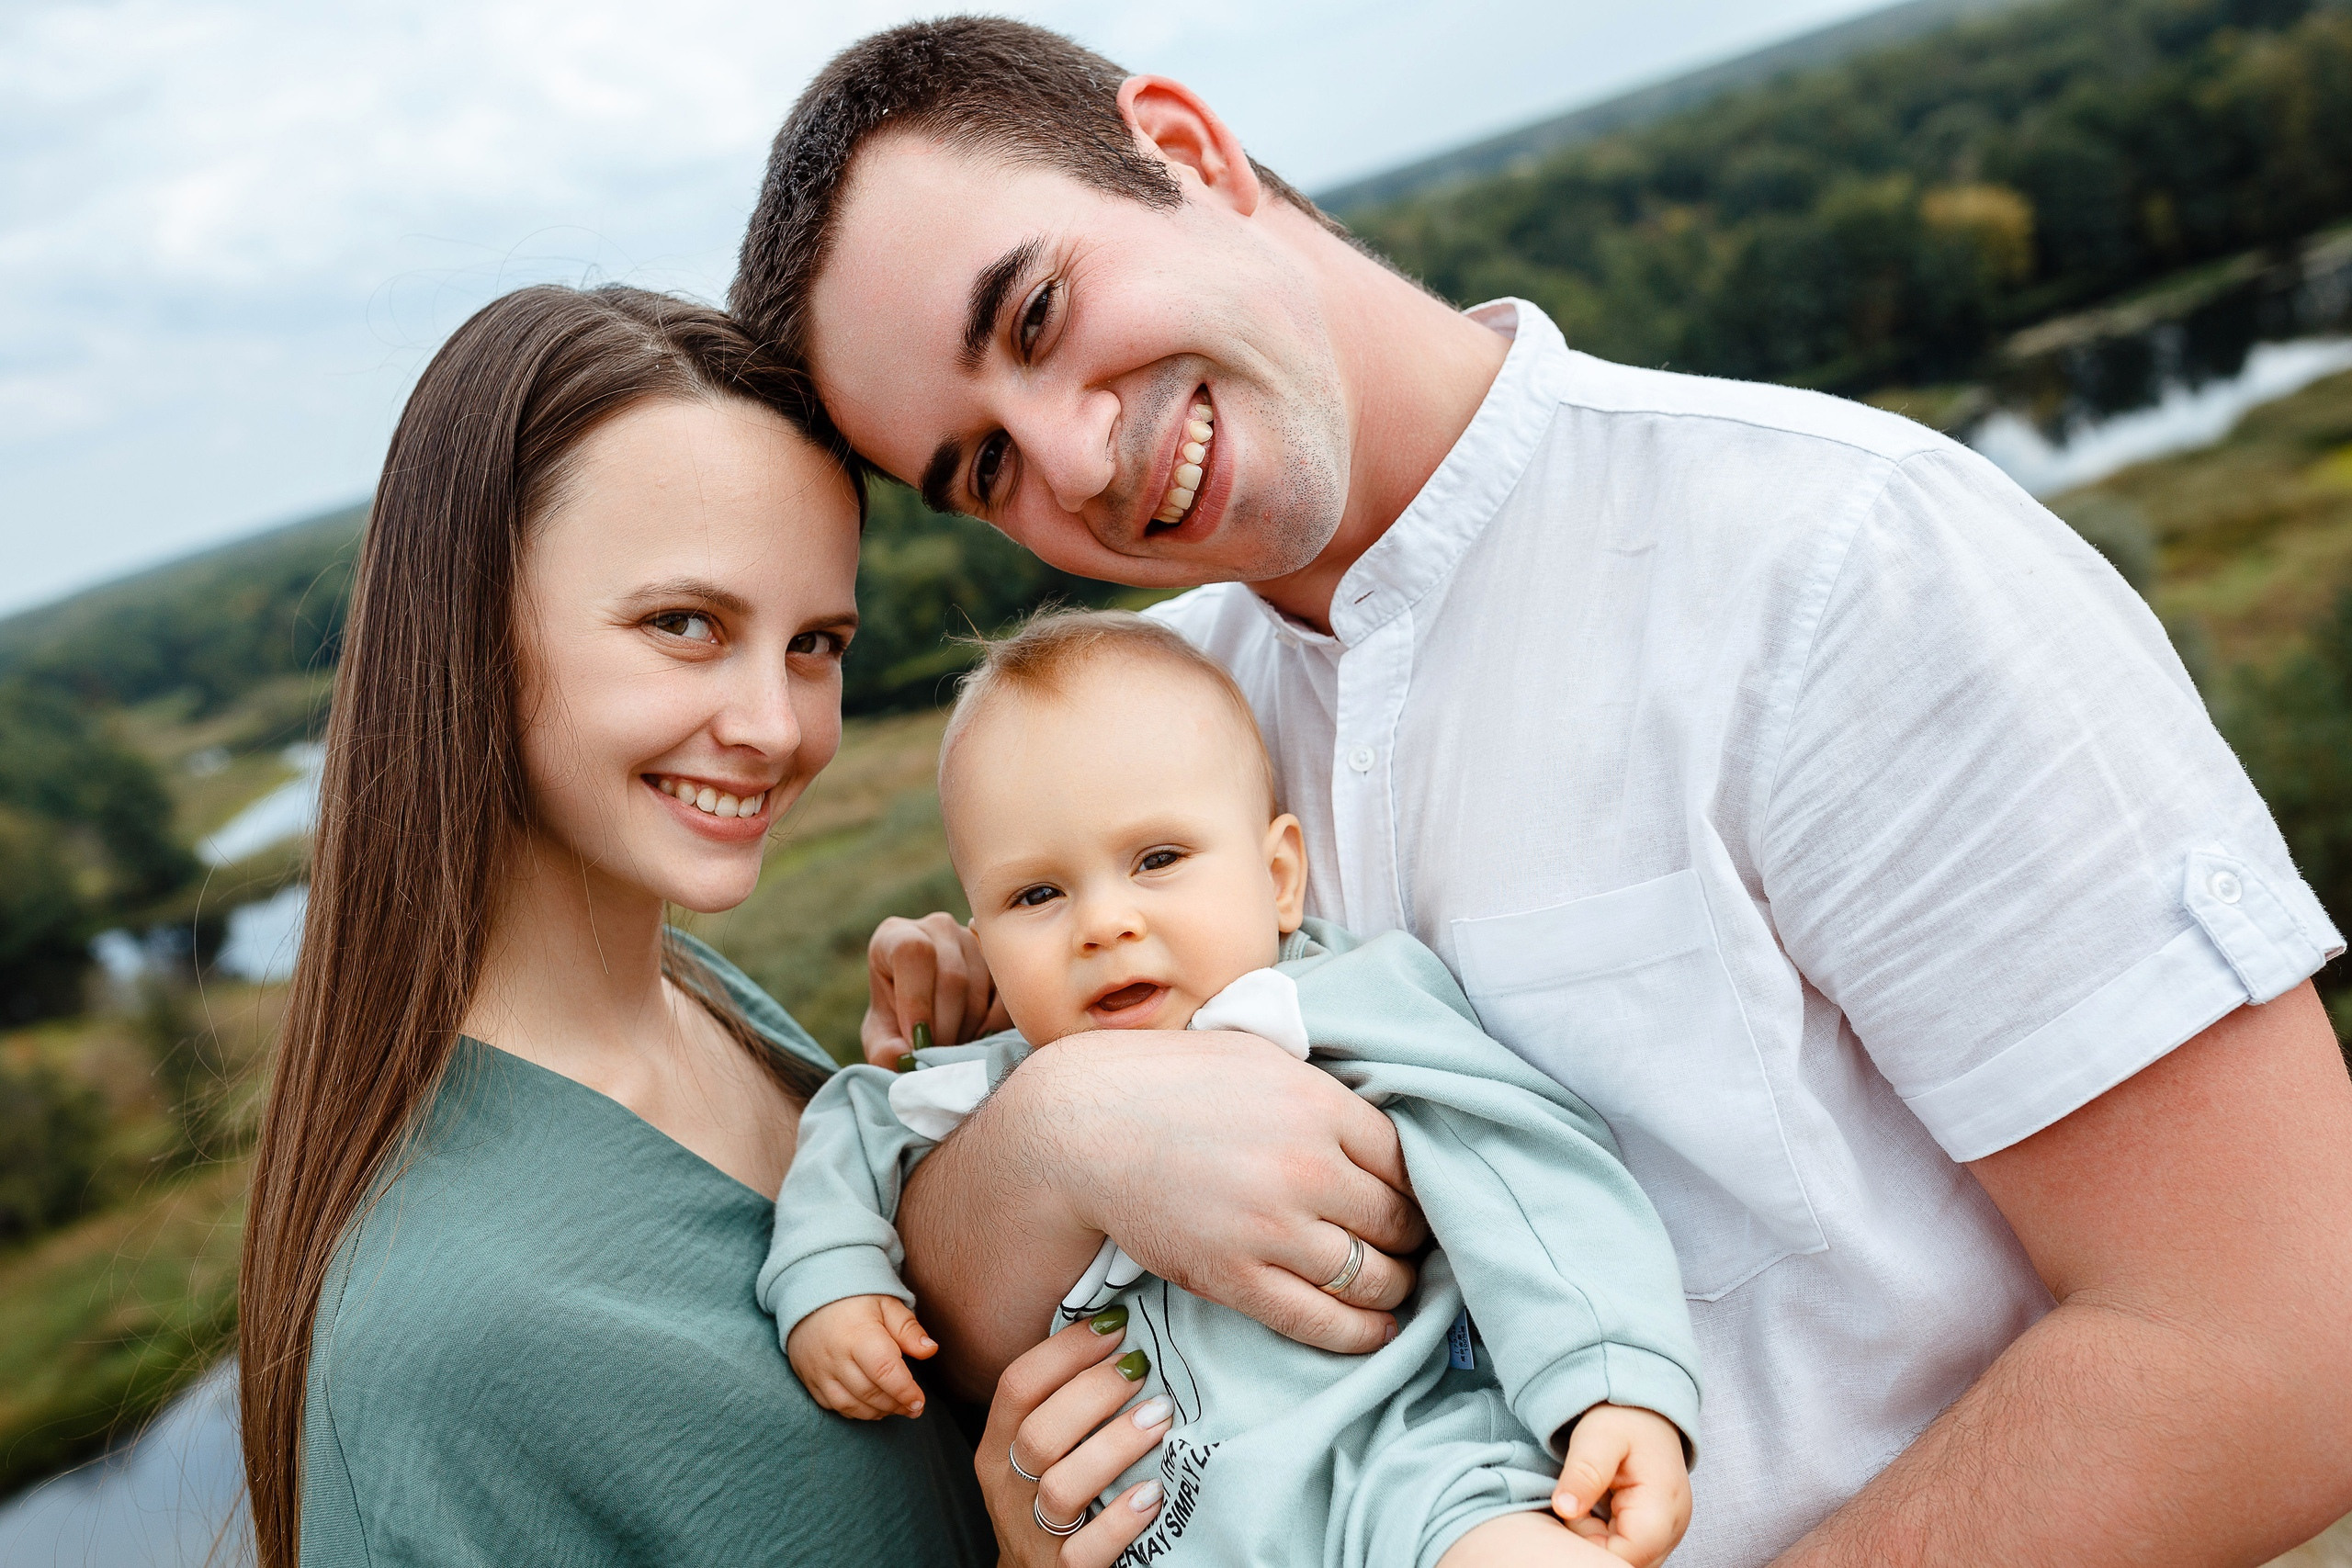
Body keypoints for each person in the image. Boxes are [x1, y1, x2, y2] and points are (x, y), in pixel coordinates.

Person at [727, 18, 2352, 1568]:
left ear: (1185, 150)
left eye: (1036, 317)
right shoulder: (1121, 739)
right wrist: (1054, 1123)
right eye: (984, 471)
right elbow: (956, 1283)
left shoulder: (1838, 561)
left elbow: (2279, 1337)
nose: (1072, 461)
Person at [234, 284, 994, 1568]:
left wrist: (932, 1101)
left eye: (815, 640)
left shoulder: (699, 1001)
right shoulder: (443, 1340)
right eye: (682, 623)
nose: (774, 722)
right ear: (473, 622)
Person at [768, 609, 1701, 1567]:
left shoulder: (1335, 1003)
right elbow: (852, 1122)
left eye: (1157, 860)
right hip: (1158, 1529)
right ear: (985, 943)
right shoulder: (1001, 1084)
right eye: (1035, 896)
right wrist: (830, 1278)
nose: (1103, 923)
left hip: (1397, 1473)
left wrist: (1609, 1381)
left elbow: (1518, 1161)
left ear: (1279, 875)